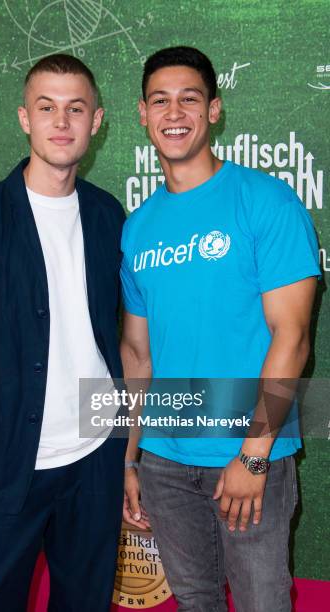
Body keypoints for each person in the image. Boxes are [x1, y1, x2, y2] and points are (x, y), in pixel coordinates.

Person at [120, 46, 319, 612]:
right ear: (142, 113)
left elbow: (293, 337)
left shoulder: (266, 202)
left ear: (214, 110)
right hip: (162, 460)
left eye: (189, 98)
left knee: (262, 603)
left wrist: (254, 455)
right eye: (160, 100)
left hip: (249, 454)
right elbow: (138, 353)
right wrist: (132, 458)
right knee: (195, 600)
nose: (174, 112)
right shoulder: (138, 229)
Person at [0, 53, 126, 612]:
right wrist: (2, 399)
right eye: (47, 107)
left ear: (97, 120)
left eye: (75, 108)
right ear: (24, 118)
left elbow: (117, 329)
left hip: (96, 456)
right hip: (6, 463)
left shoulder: (110, 216)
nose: (61, 121)